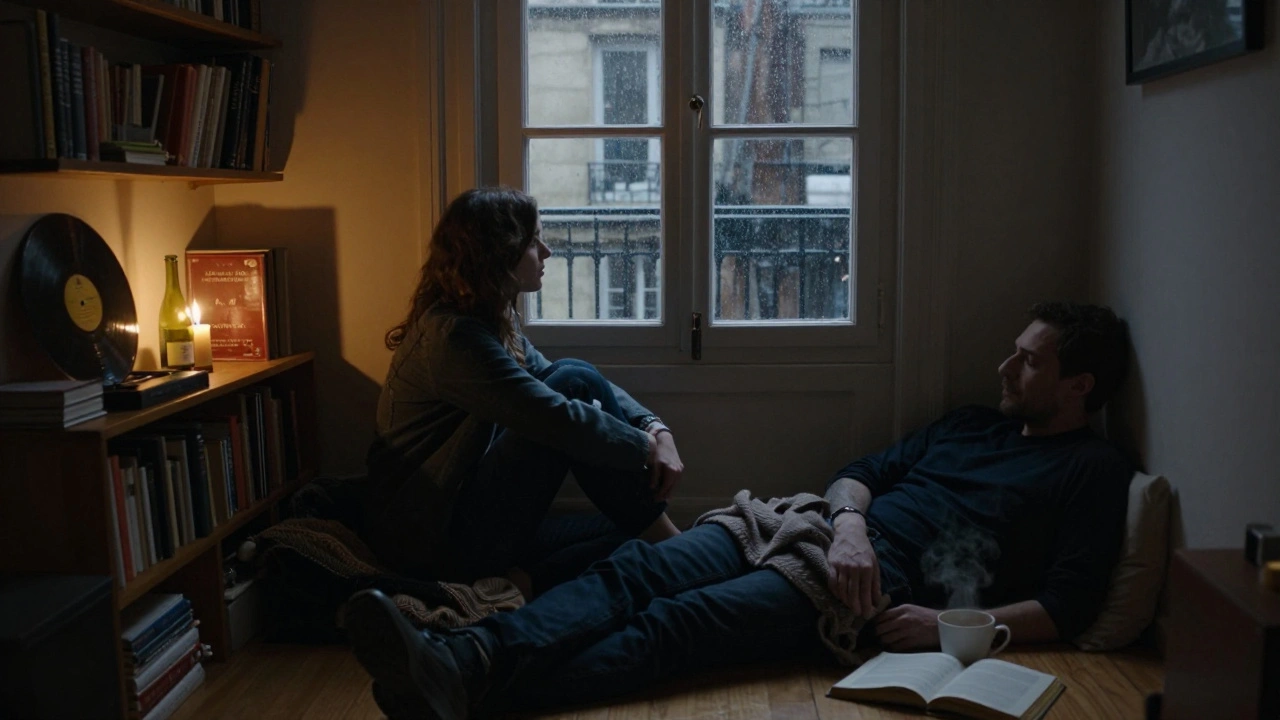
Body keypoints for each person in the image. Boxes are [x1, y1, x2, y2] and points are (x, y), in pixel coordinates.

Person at [346, 301, 1133, 719]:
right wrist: (850, 522)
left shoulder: (1091, 470)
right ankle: (469, 656)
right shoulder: (971, 422)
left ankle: (477, 687)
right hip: (812, 526)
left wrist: (948, 626)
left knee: (673, 628)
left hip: (868, 585)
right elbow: (861, 473)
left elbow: (1070, 604)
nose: (1005, 365)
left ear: (1080, 387)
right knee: (637, 570)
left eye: (1029, 360)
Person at [364, 186, 685, 598]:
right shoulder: (453, 338)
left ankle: (527, 581)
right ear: (500, 253)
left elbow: (549, 376)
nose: (547, 252)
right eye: (534, 241)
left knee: (627, 533)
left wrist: (656, 428)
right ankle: (677, 548)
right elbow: (554, 414)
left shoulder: (491, 319)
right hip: (429, 540)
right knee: (573, 380)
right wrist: (643, 445)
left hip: (465, 519)